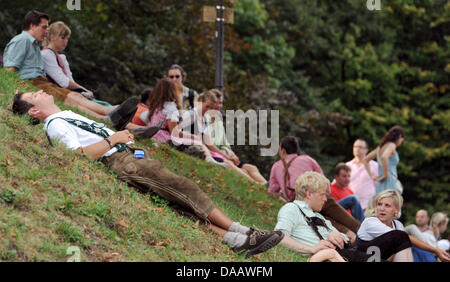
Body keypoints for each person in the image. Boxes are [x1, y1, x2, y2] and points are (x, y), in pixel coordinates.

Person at [11, 90, 285, 259]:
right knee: (183, 187)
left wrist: (121, 138)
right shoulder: (55, 123)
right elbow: (76, 155)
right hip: (119, 158)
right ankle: (243, 232)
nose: (39, 92)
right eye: (34, 96)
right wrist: (113, 140)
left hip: (127, 153)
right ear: (35, 111)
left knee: (175, 204)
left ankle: (234, 241)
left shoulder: (65, 115)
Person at [3, 11, 119, 121]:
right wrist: (17, 91)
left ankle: (110, 112)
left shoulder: (33, 44)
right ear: (32, 26)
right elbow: (9, 70)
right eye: (44, 27)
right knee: (70, 99)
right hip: (32, 82)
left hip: (41, 81)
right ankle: (106, 117)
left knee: (74, 96)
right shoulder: (22, 40)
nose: (46, 32)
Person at [268, 136, 361, 242]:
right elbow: (322, 178)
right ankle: (363, 232)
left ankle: (349, 236)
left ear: (282, 150)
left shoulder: (276, 166)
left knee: (325, 221)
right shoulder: (306, 159)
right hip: (319, 192)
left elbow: (273, 192)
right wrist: (326, 195)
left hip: (299, 200)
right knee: (345, 217)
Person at [275, 171, 373, 262]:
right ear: (309, 194)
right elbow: (279, 237)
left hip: (349, 251)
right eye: (322, 195)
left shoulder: (317, 215)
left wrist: (334, 234)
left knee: (387, 240)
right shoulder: (291, 208)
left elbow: (347, 239)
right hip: (336, 255)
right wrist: (312, 249)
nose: (325, 199)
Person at [355, 190, 450, 262]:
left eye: (387, 205)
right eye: (379, 204)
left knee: (404, 241)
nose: (381, 209)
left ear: (396, 209)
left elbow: (404, 243)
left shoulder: (397, 225)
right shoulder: (370, 222)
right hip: (362, 259)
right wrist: (436, 250)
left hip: (381, 258)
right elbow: (404, 238)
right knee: (402, 237)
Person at [206, 89, 268, 185]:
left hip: (223, 153)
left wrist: (233, 155)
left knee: (251, 168)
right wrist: (227, 156)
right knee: (242, 171)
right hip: (214, 154)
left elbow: (225, 143)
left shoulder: (218, 120)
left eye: (220, 103)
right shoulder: (204, 119)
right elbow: (209, 145)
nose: (218, 106)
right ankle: (256, 185)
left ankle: (268, 187)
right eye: (216, 103)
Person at [41, 21, 110, 106]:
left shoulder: (62, 57)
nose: (66, 41)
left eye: (67, 38)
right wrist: (84, 89)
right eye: (63, 38)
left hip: (71, 93)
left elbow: (70, 80)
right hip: (61, 94)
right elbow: (64, 82)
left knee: (105, 104)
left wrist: (82, 91)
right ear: (52, 37)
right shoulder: (46, 55)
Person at [363, 126, 405, 195]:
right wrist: (385, 174)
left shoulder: (380, 147)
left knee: (380, 203)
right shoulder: (392, 145)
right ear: (400, 136)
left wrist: (372, 176)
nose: (401, 142)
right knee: (391, 204)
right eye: (402, 139)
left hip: (380, 182)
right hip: (390, 181)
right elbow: (384, 157)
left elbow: (365, 160)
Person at [345, 139, 378, 210]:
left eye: (360, 147)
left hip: (368, 206)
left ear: (366, 150)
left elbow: (379, 186)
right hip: (350, 206)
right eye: (355, 147)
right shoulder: (347, 166)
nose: (357, 149)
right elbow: (337, 184)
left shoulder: (375, 166)